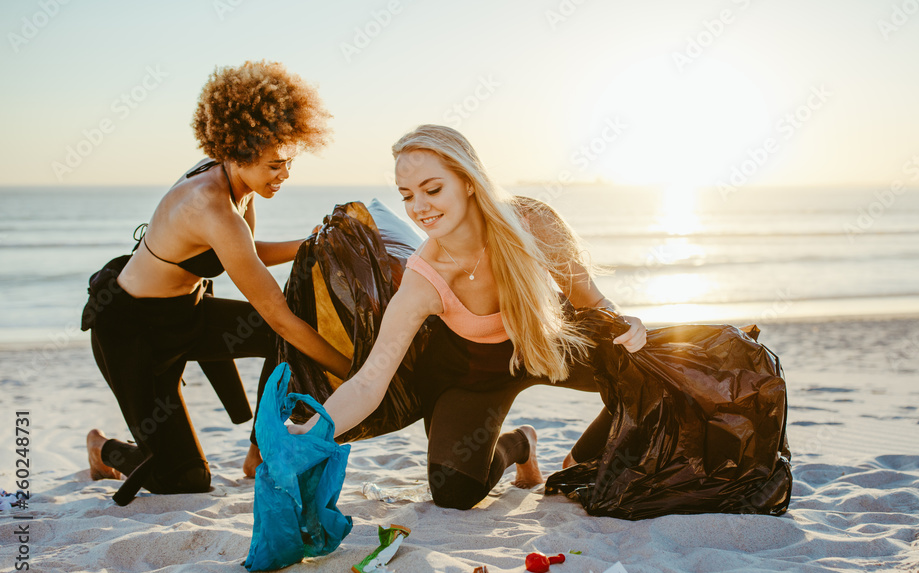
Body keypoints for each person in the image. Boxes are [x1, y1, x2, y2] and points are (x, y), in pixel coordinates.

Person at [286, 124, 646, 510]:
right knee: (454, 493)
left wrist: (628, 323)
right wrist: (312, 433)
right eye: (407, 196)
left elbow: (593, 305)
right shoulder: (423, 278)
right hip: (471, 375)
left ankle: (578, 459)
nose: (419, 206)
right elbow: (368, 384)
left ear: (469, 182)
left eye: (433, 189)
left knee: (647, 369)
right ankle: (521, 443)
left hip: (546, 345)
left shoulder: (532, 224)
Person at [85, 61, 350, 500]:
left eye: (288, 164)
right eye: (274, 166)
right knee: (186, 481)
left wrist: (311, 244)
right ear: (237, 153)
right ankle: (104, 449)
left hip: (187, 313)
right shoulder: (209, 206)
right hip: (131, 332)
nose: (284, 176)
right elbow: (279, 315)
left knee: (277, 342)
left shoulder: (237, 186)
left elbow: (244, 251)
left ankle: (259, 452)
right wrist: (353, 371)